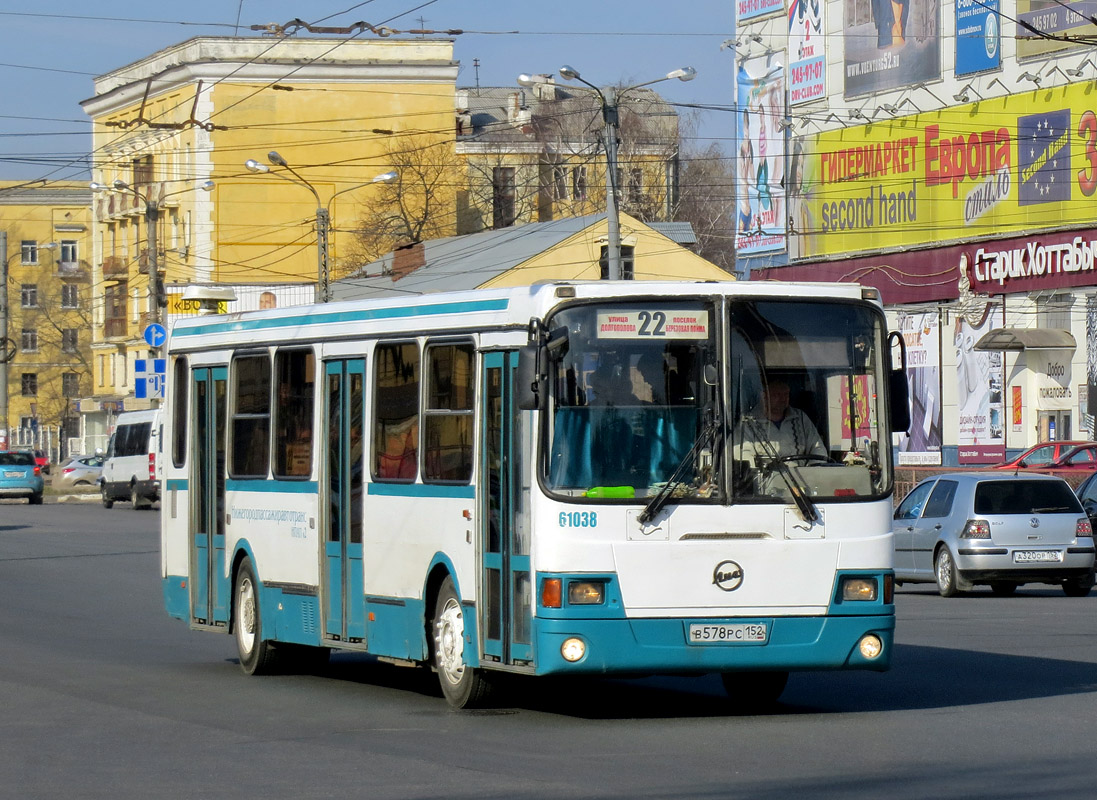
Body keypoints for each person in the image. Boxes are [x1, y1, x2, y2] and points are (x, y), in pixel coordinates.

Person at [735, 378, 826, 467]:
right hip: (765, 479)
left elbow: (818, 448)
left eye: (786, 394)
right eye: (777, 395)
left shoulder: (801, 418)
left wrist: (814, 471)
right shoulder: (748, 422)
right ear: (764, 396)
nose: (783, 399)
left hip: (801, 478)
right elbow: (742, 455)